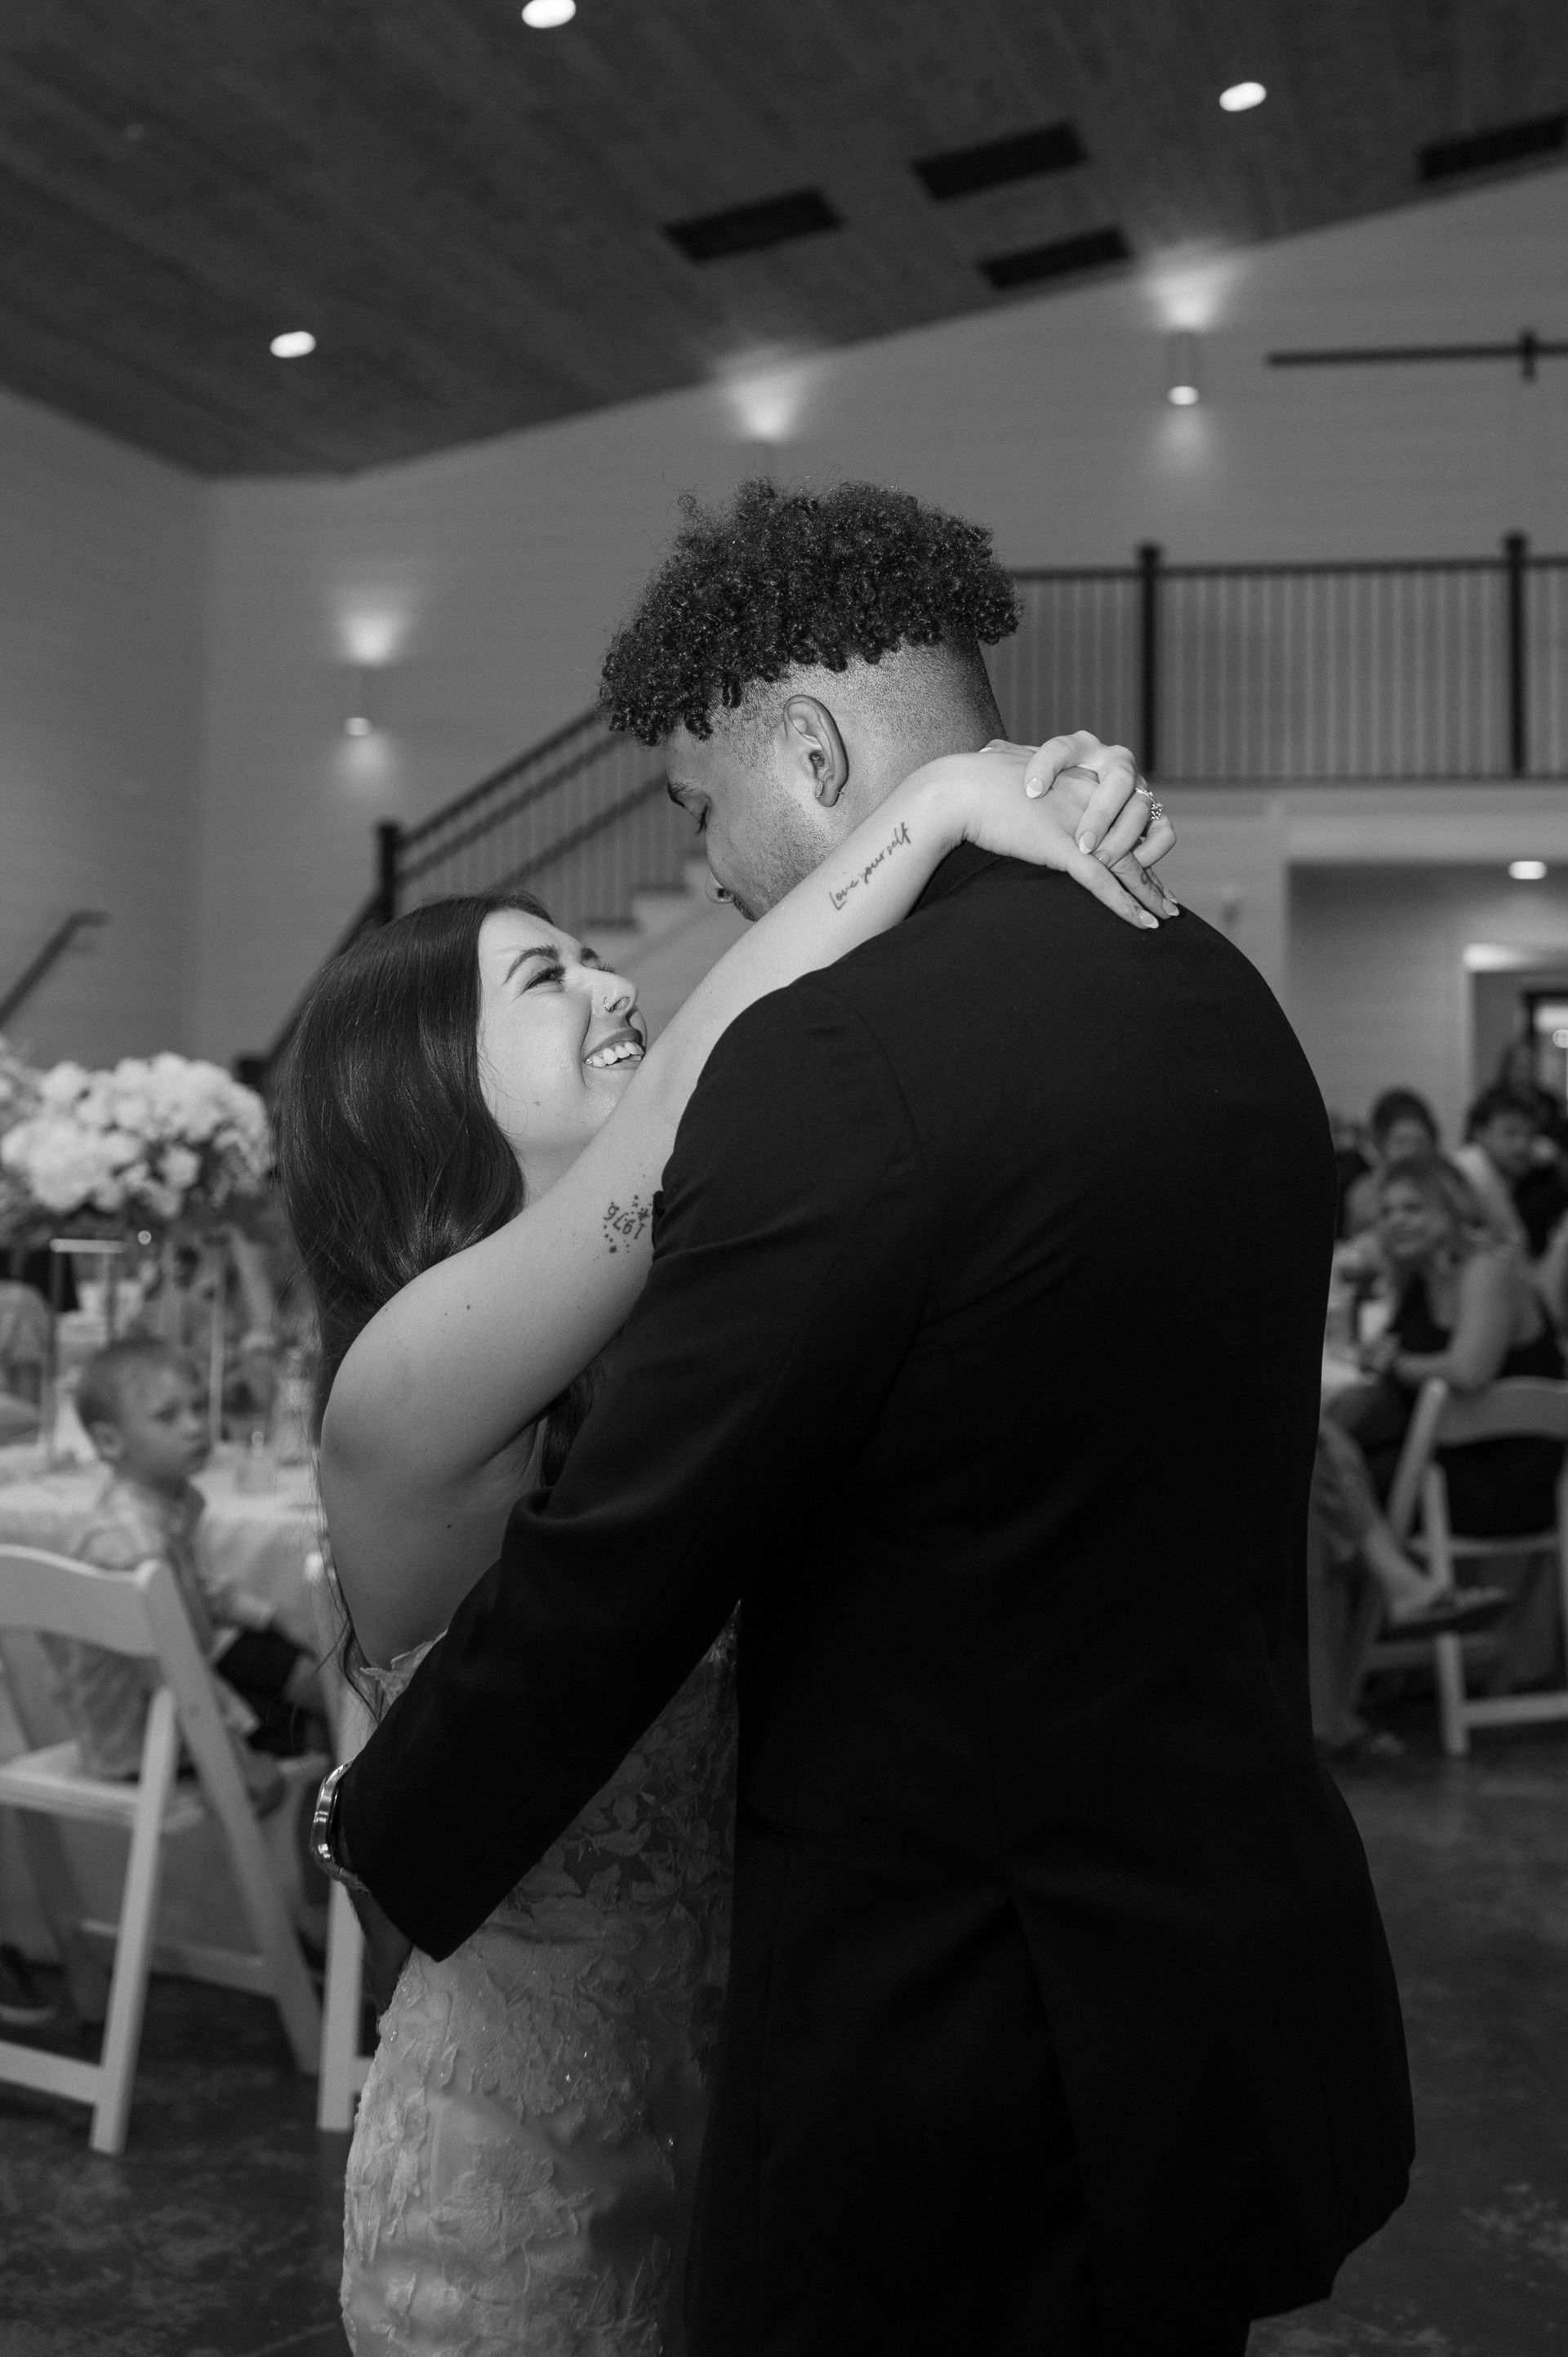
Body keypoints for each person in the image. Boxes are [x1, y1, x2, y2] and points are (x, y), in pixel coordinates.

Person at [315, 479, 1412, 2357]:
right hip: (1214, 1980)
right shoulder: (1215, 990)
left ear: (808, 749)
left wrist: (387, 1828)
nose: (719, 873)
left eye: (696, 810)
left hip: (965, 2041)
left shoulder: (836, 1055)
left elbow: (637, 1546)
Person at [275, 685, 1174, 2343]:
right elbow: (703, 1072)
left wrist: (1050, 797)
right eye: (547, 979)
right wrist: (943, 801)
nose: (614, 980)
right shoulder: (402, 1382)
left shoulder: (672, 1317)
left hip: (752, 2143)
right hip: (521, 2185)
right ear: (421, 1095)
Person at [43, 1338, 325, 1797]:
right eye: (167, 1416)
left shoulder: (163, 1506)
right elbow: (169, 1670)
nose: (196, 1427)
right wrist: (237, 1755)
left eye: (198, 1407)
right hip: (144, 1737)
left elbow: (201, 1590)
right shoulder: (131, 1543)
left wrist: (274, 1616)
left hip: (172, 1697)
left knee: (286, 1658)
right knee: (311, 1722)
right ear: (109, 1442)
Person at [1340, 1154, 1566, 1536]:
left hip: (1498, 1475)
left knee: (1326, 1484)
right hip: (1436, 1462)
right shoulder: (1419, 1279)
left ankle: (1399, 1590)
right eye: (1387, 1211)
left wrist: (1397, 1364)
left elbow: (1468, 1371)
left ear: (1452, 1209)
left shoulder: (1489, 1264)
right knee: (1324, 1465)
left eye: (1413, 1208)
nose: (1396, 1221)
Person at [1306, 1419, 1507, 1758]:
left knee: (1315, 1467)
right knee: (1317, 1452)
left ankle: (1322, 1721)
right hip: (1488, 1477)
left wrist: (1395, 1364)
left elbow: (1468, 1372)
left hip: (1455, 1476)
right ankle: (1327, 1719)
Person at [1341, 1086, 1440, 1237]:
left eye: (1419, 1142)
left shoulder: (1444, 1185)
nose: (1410, 1151)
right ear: (1382, 1145)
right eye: (1401, 1142)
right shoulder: (1365, 1190)